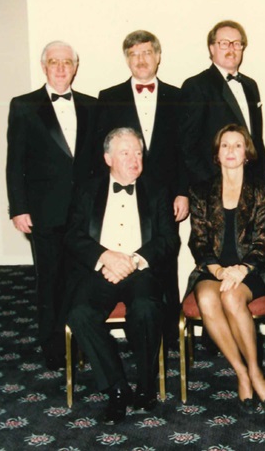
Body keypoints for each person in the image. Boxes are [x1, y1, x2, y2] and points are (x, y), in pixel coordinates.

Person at [66, 128, 180, 425]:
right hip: (101, 269)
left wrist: (133, 259)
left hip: (139, 269)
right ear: (108, 158)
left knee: (145, 308)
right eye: (125, 153)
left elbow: (169, 239)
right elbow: (73, 235)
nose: (134, 159)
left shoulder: (156, 189)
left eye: (138, 153)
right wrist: (105, 257)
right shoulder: (87, 189)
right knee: (80, 314)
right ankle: (117, 388)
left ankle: (146, 385)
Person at [5, 40, 96, 370]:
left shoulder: (91, 105)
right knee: (51, 280)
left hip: (85, 214)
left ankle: (83, 343)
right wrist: (18, 207)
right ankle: (54, 348)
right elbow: (15, 162)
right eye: (54, 62)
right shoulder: (25, 106)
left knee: (83, 280)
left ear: (75, 66)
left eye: (67, 62)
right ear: (44, 67)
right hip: (45, 212)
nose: (60, 68)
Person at [96, 30, 188, 342]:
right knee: (125, 257)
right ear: (127, 60)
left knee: (164, 261)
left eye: (147, 53)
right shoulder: (108, 97)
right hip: (125, 190)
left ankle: (168, 335)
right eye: (134, 54)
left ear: (158, 56)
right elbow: (102, 152)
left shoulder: (178, 96)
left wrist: (182, 191)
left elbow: (184, 151)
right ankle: (134, 329)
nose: (141, 60)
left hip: (164, 196)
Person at [186, 124, 265, 415]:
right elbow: (198, 241)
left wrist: (241, 269)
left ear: (247, 153)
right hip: (213, 269)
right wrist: (217, 270)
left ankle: (255, 372)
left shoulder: (264, 190)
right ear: (216, 153)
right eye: (225, 145)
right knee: (209, 298)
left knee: (231, 297)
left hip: (253, 269)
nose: (230, 151)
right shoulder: (201, 191)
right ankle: (241, 372)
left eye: (237, 145)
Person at [181, 21, 265, 185]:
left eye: (237, 44)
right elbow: (188, 146)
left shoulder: (251, 85)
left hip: (253, 185)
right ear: (211, 48)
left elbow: (256, 140)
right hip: (216, 186)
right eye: (224, 44)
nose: (231, 49)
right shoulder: (197, 86)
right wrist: (213, 184)